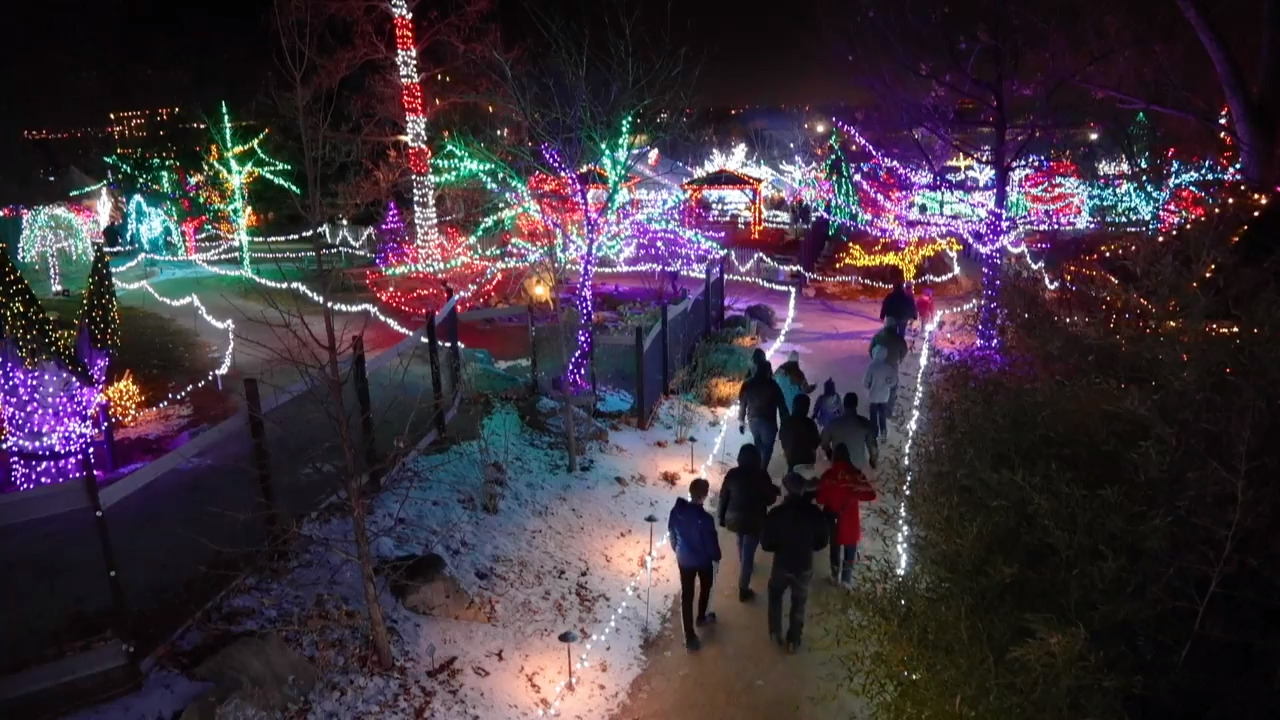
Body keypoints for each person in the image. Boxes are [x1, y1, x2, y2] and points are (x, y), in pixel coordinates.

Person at [760, 472, 830, 653]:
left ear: (786, 491)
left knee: (775, 596)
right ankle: (794, 639)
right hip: (804, 565)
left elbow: (766, 544)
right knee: (799, 602)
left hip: (781, 565)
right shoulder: (814, 513)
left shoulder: (776, 514)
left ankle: (775, 631)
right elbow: (822, 541)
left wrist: (778, 545)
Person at [717, 444, 781, 601]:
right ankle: (743, 589)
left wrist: (721, 517)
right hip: (755, 520)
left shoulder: (732, 474)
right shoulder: (762, 475)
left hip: (733, 519)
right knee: (749, 553)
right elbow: (771, 499)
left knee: (740, 537)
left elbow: (723, 497)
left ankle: (744, 563)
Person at [668, 478, 722, 652]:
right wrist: (716, 556)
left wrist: (677, 550)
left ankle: (689, 635)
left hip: (684, 560)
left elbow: (672, 534)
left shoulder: (676, 512)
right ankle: (701, 616)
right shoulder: (705, 519)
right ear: (704, 496)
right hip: (703, 561)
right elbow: (711, 543)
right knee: (706, 587)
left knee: (687, 595)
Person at [816, 444, 877, 587]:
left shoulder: (828, 475)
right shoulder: (855, 474)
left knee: (834, 547)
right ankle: (846, 581)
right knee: (850, 551)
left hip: (833, 520)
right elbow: (871, 494)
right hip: (850, 520)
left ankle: (834, 575)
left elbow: (820, 499)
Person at [738, 358, 789, 470]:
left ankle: (757, 466)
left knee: (758, 443)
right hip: (768, 422)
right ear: (767, 370)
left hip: (753, 421)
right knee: (767, 447)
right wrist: (786, 421)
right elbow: (782, 404)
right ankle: (762, 469)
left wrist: (741, 421)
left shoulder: (749, 384)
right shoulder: (773, 385)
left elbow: (742, 402)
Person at [820, 392, 879, 473]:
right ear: (856, 404)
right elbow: (873, 448)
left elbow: (824, 443)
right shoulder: (865, 423)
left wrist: (830, 455)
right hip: (857, 465)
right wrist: (873, 462)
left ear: (844, 404)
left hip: (837, 464)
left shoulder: (833, 424)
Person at [869, 318, 908, 418]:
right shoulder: (899, 339)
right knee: (891, 387)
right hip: (892, 367)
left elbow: (870, 350)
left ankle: (876, 406)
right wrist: (900, 358)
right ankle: (888, 411)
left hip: (878, 366)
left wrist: (875, 359)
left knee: (877, 385)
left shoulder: (878, 337)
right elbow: (904, 350)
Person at [780, 395, 821, 473]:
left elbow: (782, 440)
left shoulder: (786, 422)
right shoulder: (810, 423)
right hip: (807, 460)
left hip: (791, 460)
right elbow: (816, 443)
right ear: (806, 407)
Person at [864, 346, 897, 438]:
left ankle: (873, 432)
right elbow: (894, 380)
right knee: (882, 415)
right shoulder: (888, 368)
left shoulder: (872, 367)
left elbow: (866, 382)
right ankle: (883, 431)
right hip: (884, 396)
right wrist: (888, 384)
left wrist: (868, 386)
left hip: (873, 396)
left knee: (873, 415)